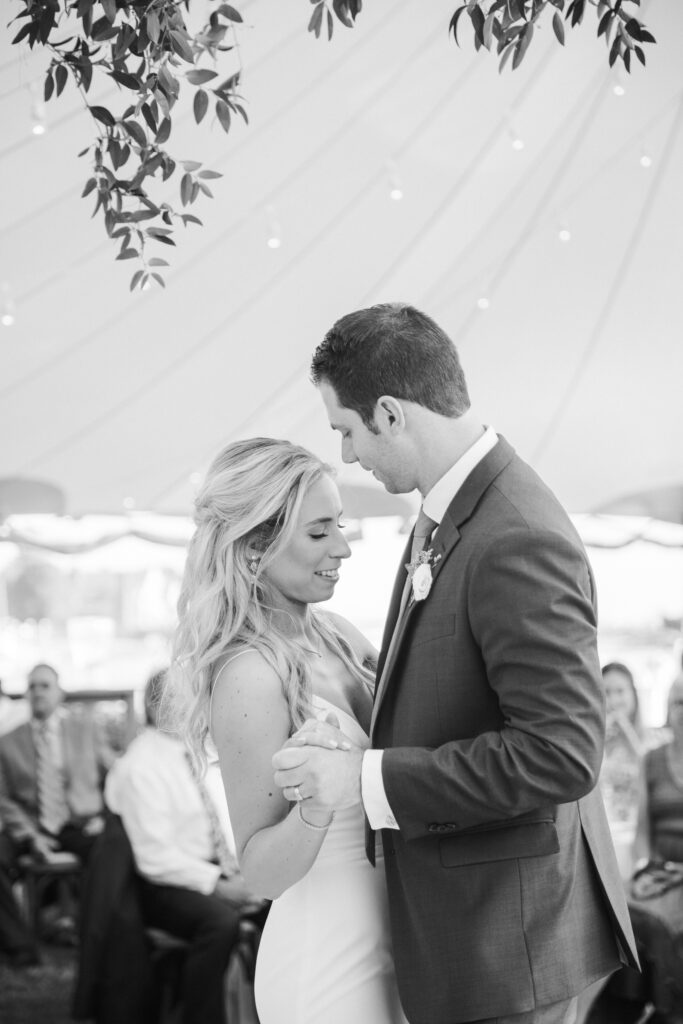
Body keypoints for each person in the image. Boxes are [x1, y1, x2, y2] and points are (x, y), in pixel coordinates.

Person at [271, 302, 640, 1024]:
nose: (346, 455)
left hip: (510, 945)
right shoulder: (447, 512)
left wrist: (365, 777)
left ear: (389, 413)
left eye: (345, 431)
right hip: (475, 930)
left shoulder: (516, 534)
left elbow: (559, 754)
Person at [168, 437, 408, 1024]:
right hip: (327, 959)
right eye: (320, 532)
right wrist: (317, 808)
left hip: (397, 934)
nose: (344, 548)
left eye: (341, 526)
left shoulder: (340, 635)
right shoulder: (250, 674)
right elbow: (260, 871)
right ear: (256, 546)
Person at [105, 668, 263, 1024]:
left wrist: (246, 871)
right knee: (219, 924)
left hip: (220, 867)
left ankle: (270, 1009)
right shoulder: (140, 765)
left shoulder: (200, 752)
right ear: (156, 704)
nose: (197, 704)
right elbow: (154, 858)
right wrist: (221, 886)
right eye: (185, 696)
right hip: (165, 884)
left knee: (281, 901)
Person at [0, 663, 110, 869]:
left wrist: (105, 818)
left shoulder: (86, 731)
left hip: (79, 826)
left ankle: (89, 902)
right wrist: (30, 836)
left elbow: (114, 778)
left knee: (112, 851)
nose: (38, 692)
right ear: (26, 695)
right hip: (30, 827)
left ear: (60, 693)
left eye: (45, 686)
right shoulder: (7, 743)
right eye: (32, 687)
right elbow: (3, 799)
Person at [600, 662, 645, 879]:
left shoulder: (652, 739)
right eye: (606, 692)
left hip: (639, 835)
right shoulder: (595, 745)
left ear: (633, 694)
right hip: (607, 837)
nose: (614, 699)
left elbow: (648, 767)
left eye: (620, 691)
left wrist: (626, 728)